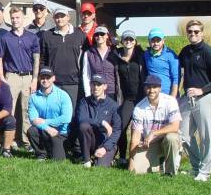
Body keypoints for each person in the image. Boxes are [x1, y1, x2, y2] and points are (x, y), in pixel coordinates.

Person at [178, 20, 211, 181]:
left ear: (202, 33)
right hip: (188, 98)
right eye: (190, 31)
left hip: (205, 98)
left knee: (205, 137)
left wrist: (202, 90)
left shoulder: (208, 52)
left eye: (196, 31)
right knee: (183, 135)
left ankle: (205, 172)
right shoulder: (185, 51)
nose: (193, 34)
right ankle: (196, 167)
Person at [39, 7, 88, 151]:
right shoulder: (47, 36)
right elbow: (43, 59)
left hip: (74, 83)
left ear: (68, 18)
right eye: (57, 17)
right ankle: (55, 146)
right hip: (55, 83)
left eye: (62, 16)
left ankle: (74, 147)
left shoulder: (80, 35)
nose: (59, 19)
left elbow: (86, 59)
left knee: (72, 116)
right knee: (54, 115)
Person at [0, 7, 40, 149]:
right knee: (8, 110)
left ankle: (26, 142)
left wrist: (34, 79)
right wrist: (1, 76)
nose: (15, 20)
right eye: (13, 18)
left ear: (23, 19)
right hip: (11, 76)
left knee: (26, 110)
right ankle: (5, 140)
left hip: (27, 77)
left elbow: (36, 59)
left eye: (18, 17)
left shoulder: (32, 37)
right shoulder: (5, 38)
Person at [128, 75, 181, 175]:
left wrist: (154, 133)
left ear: (160, 88)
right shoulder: (139, 108)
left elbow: (175, 126)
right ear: (144, 88)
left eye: (154, 87)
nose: (151, 90)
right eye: (148, 87)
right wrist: (131, 162)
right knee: (138, 170)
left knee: (171, 138)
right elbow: (135, 138)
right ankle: (159, 163)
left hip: (168, 139)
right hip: (150, 144)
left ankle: (170, 173)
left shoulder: (170, 101)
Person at [26, 68, 72, 161]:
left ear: (53, 78)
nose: (45, 80)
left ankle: (55, 150)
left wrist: (45, 121)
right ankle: (41, 154)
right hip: (44, 130)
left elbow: (66, 118)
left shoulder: (63, 95)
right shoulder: (33, 97)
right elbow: (33, 119)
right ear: (39, 79)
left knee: (58, 160)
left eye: (48, 77)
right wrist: (47, 127)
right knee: (32, 131)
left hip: (60, 133)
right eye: (42, 77)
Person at [115, 30, 145, 168]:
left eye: (131, 39)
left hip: (141, 98)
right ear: (122, 41)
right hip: (127, 99)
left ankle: (142, 157)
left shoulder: (141, 56)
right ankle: (122, 156)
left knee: (142, 128)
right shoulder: (117, 56)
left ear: (135, 41)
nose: (128, 41)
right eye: (126, 39)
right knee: (121, 126)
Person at [76, 74, 121, 167]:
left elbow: (117, 130)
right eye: (93, 84)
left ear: (105, 86)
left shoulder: (113, 105)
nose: (95, 87)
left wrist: (105, 148)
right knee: (83, 126)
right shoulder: (84, 102)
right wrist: (102, 122)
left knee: (100, 166)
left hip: (106, 142)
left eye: (99, 85)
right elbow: (81, 118)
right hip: (91, 140)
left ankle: (106, 159)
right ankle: (86, 159)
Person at [81, 26, 120, 100]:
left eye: (102, 34)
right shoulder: (88, 53)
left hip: (111, 92)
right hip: (95, 91)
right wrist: (88, 93)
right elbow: (86, 74)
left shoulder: (114, 52)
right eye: (97, 34)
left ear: (106, 36)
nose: (99, 36)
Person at [143, 28, 179, 97]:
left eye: (158, 40)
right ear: (149, 41)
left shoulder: (171, 55)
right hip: (152, 94)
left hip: (167, 94)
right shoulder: (146, 54)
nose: (156, 43)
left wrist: (172, 98)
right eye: (153, 40)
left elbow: (175, 78)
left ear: (163, 41)